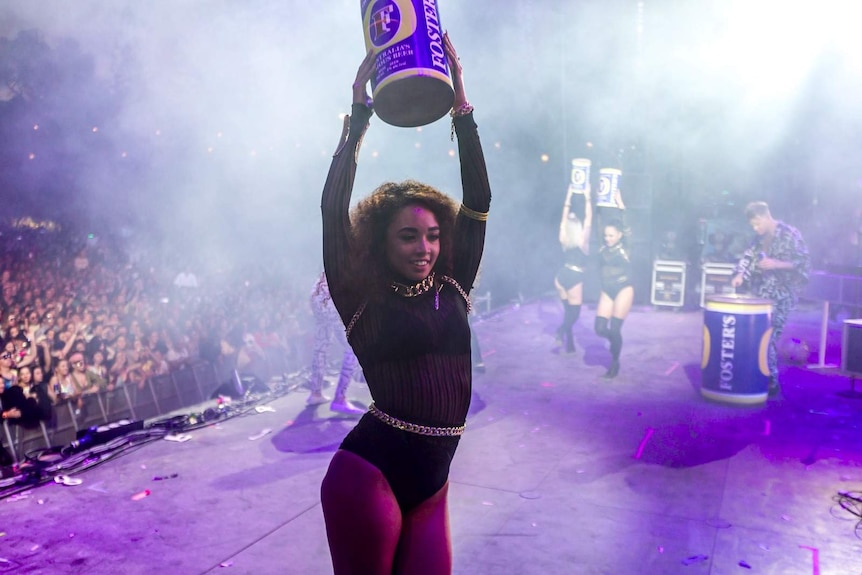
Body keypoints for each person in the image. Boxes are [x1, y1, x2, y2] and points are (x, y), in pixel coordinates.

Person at [319, 34, 490, 575]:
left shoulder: (453, 284)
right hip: (371, 471)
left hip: (434, 480)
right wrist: (358, 115)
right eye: (408, 237)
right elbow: (331, 212)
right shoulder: (361, 299)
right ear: (381, 243)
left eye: (434, 235)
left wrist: (461, 105)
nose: (426, 248)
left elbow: (480, 200)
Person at [731, 201, 810, 397]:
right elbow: (748, 258)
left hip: (782, 295)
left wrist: (777, 264)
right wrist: (740, 275)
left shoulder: (790, 234)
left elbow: (803, 262)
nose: (756, 228)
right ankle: (757, 377)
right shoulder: (757, 240)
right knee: (756, 337)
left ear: (766, 216)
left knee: (769, 337)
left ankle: (770, 382)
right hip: (761, 296)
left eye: (757, 223)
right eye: (752, 226)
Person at [306, 272, 365, 416]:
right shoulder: (360, 257)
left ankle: (315, 393)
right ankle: (340, 398)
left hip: (318, 294)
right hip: (331, 298)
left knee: (321, 346)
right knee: (353, 348)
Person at [594, 189, 631, 378]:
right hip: (607, 289)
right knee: (600, 329)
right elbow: (598, 223)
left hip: (624, 288)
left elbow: (627, 226)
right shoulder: (602, 246)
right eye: (606, 236)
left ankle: (614, 363)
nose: (608, 238)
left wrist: (621, 206)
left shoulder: (626, 247)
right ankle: (615, 343)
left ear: (619, 235)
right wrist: (598, 203)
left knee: (615, 328)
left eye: (611, 236)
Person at [553, 182, 592, 353]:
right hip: (575, 277)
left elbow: (563, 221)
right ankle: (560, 331)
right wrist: (588, 196)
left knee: (568, 313)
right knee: (574, 315)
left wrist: (568, 197)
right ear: (579, 226)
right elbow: (589, 219)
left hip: (561, 277)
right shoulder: (582, 242)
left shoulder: (564, 239)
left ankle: (569, 345)